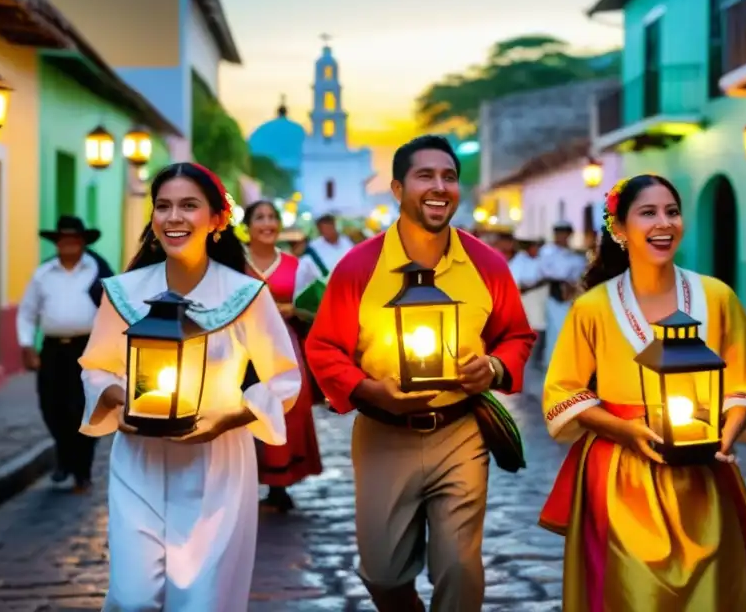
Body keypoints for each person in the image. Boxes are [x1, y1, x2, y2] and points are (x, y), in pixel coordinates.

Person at [539, 174, 746, 611]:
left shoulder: (716, 297)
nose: (664, 222)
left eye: (672, 212)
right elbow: (564, 391)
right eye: (648, 212)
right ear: (619, 229)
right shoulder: (593, 307)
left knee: (712, 592)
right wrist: (623, 430)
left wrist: (728, 430)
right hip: (621, 479)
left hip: (703, 475)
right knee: (634, 594)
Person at [306, 134, 535, 612]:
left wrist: (493, 368)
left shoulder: (486, 264)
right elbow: (324, 347)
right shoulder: (358, 267)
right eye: (425, 176)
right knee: (383, 573)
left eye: (449, 177)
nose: (439, 186)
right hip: (383, 434)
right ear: (396, 188)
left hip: (460, 432)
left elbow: (517, 336)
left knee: (459, 569)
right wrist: (369, 390)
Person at [77, 163, 301, 612]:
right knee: (133, 597)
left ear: (217, 220)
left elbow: (283, 379)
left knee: (200, 602)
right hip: (138, 459)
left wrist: (230, 416)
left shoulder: (245, 295)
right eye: (163, 206)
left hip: (215, 466)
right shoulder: (123, 292)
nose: (173, 217)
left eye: (188, 206)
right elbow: (96, 369)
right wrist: (123, 400)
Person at [16, 215, 114, 492]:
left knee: (84, 409)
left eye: (74, 240)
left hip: (88, 350)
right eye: (64, 240)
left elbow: (112, 312)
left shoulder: (98, 271)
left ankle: (81, 470)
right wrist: (26, 346)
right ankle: (65, 458)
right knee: (52, 407)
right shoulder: (43, 274)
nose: (69, 245)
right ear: (57, 243)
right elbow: (26, 313)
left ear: (83, 242)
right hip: (53, 350)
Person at [242, 200, 323, 513]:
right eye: (259, 217)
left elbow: (317, 307)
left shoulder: (298, 266)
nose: (267, 223)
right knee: (240, 406)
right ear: (247, 226)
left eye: (272, 218)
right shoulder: (234, 262)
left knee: (287, 405)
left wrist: (292, 310)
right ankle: (239, 481)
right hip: (241, 344)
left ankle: (279, 486)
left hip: (283, 344)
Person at [539, 220, 585, 359]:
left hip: (571, 296)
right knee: (554, 331)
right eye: (559, 233)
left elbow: (578, 274)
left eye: (565, 233)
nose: (562, 236)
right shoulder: (547, 252)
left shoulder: (575, 255)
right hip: (553, 294)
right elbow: (546, 272)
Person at [510, 236, 548, 369]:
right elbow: (518, 283)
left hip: (541, 304)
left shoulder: (542, 260)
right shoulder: (519, 261)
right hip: (526, 303)